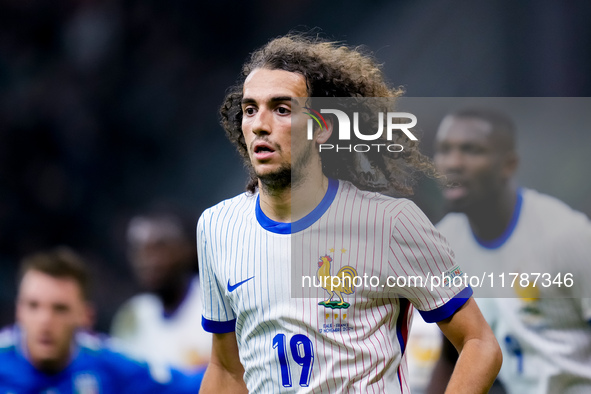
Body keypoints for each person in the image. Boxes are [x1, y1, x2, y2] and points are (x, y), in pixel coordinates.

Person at [197, 33, 501, 393]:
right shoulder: (217, 227)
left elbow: (479, 344)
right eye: (250, 109)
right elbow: (227, 369)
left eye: (282, 109)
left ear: (321, 128)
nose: (260, 124)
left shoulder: (390, 224)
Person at [430, 108, 591, 393]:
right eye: (444, 150)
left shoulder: (567, 236)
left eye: (471, 150)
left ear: (508, 164)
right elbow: (452, 353)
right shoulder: (444, 242)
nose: (452, 163)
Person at [0, 246, 203, 393]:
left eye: (60, 309)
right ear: (19, 311)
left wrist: (227, 361)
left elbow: (188, 385)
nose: (45, 320)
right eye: (33, 306)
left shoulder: (111, 364)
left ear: (86, 317)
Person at [111, 207, 211, 372]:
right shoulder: (131, 317)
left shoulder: (218, 303)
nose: (146, 261)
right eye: (138, 249)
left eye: (159, 248)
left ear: (189, 250)